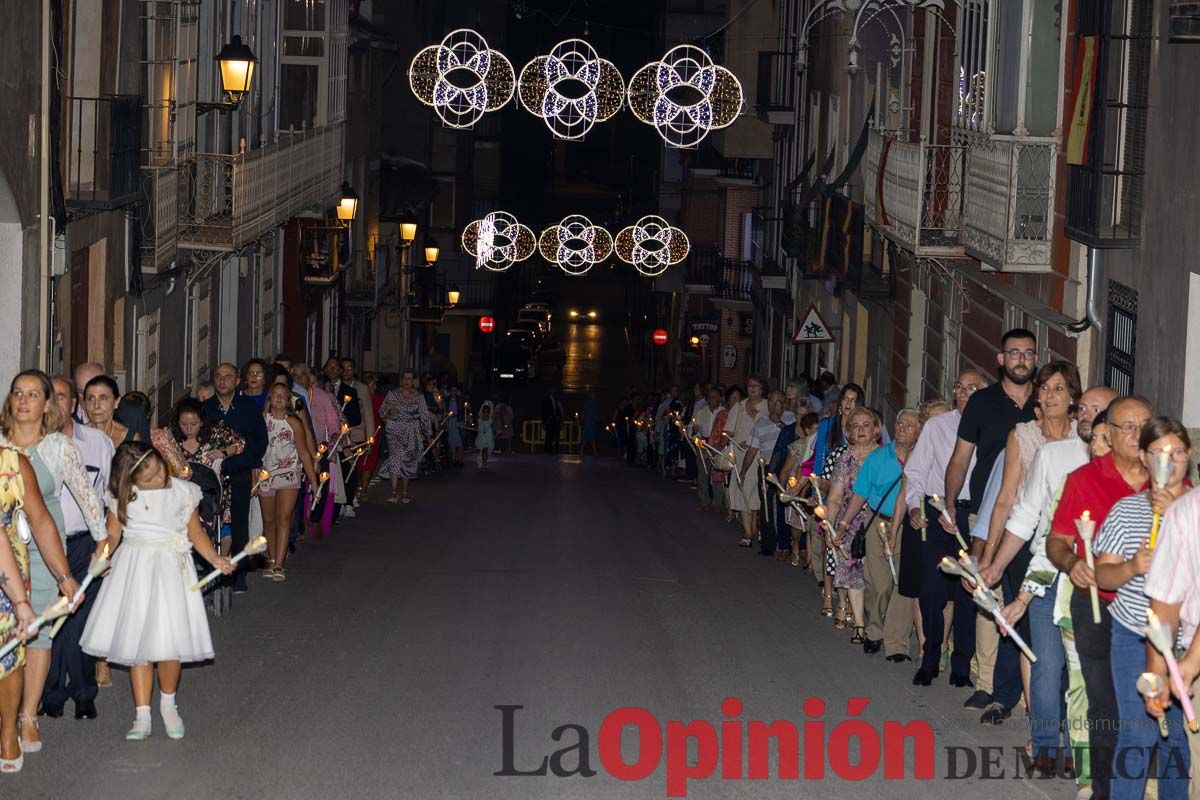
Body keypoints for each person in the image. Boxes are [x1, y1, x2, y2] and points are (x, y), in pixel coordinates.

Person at [80, 442, 234, 740]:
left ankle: (168, 704)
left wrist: (215, 559)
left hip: (170, 570)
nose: (158, 480)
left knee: (169, 643)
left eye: (158, 471)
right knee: (139, 644)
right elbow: (113, 532)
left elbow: (195, 532)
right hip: (134, 569)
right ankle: (142, 715)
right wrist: (103, 551)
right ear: (131, 480)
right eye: (148, 478)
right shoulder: (123, 495)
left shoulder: (182, 491)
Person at [1046, 396, 1152, 800]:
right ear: (1106, 432)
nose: (1136, 433)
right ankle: (1108, 791)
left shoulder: (1170, 480)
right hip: (1099, 604)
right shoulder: (1084, 479)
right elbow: (1057, 541)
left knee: (1148, 705)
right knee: (1106, 705)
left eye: (1144, 424)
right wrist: (1072, 562)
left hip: (1152, 610)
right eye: (1127, 425)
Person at [942, 329, 1038, 722]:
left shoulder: (1045, 402)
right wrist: (950, 505)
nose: (1021, 360)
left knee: (1021, 605)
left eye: (1028, 354)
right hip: (986, 514)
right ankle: (991, 688)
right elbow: (961, 459)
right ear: (1001, 359)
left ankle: (1021, 692)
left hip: (1033, 520)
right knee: (990, 602)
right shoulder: (981, 403)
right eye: (1013, 353)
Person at [1093, 418, 1191, 800]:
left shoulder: (1196, 509)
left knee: (1178, 735)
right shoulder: (1127, 509)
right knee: (1138, 730)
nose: (1168, 462)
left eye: (1177, 453)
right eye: (1158, 453)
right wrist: (1132, 566)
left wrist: (1179, 515)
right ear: (1145, 460)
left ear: (1189, 457)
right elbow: (1104, 575)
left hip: (1186, 642)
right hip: (1134, 634)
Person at [0, 370, 96, 753]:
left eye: (32, 394)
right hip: (8, 548)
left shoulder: (57, 447)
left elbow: (87, 500)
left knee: (36, 632)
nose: (23, 401)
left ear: (47, 404)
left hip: (43, 547)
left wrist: (102, 545)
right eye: (17, 393)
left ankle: (27, 716)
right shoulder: (2, 449)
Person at [905, 369, 988, 689]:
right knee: (932, 592)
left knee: (968, 593)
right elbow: (916, 472)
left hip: (975, 516)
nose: (964, 392)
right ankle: (930, 659)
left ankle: (962, 666)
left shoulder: (993, 427)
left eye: (972, 387)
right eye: (959, 387)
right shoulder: (938, 427)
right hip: (938, 512)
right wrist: (914, 507)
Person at [41, 376, 114, 722]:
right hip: (46, 545)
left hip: (86, 541)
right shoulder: (34, 443)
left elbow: (110, 497)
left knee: (79, 620)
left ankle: (82, 694)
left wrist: (106, 545)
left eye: (62, 397)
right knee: (53, 618)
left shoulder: (99, 443)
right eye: (49, 397)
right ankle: (52, 693)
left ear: (74, 405)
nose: (56, 404)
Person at [837, 408, 920, 656]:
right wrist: (843, 524)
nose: (903, 428)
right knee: (879, 583)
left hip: (908, 527)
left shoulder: (923, 458)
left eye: (909, 425)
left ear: (919, 431)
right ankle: (874, 629)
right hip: (877, 523)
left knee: (902, 585)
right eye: (900, 423)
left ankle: (896, 643)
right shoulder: (878, 457)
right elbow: (860, 493)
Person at [0, 444, 57, 773]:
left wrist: (21, 602)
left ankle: (9, 729)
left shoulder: (12, 463)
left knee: (7, 661)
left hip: (4, 582)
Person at [201, 363, 267, 594]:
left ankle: (238, 573)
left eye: (228, 377)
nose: (222, 381)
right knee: (209, 522)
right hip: (211, 477)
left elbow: (260, 442)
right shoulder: (206, 408)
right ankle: (209, 567)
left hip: (239, 472)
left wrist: (244, 461)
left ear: (237, 380)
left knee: (239, 523)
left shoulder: (248, 408)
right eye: (218, 376)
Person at [825, 407, 881, 643]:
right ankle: (859, 624)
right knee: (852, 573)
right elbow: (835, 497)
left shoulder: (885, 457)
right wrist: (830, 526)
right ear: (848, 432)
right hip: (849, 524)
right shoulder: (844, 459)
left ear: (876, 429)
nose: (860, 430)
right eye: (855, 426)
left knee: (877, 578)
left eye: (866, 425)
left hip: (879, 523)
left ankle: (877, 620)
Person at [260, 384, 318, 581]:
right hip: (265, 474)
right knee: (268, 520)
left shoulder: (294, 423)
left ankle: (279, 564)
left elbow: (303, 452)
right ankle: (271, 556)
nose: (278, 399)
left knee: (283, 518)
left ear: (288, 400)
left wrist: (314, 480)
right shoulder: (262, 420)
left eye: (282, 396)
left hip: (289, 475)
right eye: (274, 395)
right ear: (269, 399)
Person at [380, 369, 434, 505]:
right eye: (404, 378)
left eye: (409, 378)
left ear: (414, 381)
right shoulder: (393, 394)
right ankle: (393, 492)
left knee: (408, 460)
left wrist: (429, 435)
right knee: (394, 458)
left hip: (411, 431)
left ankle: (404, 491)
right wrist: (388, 414)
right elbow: (381, 411)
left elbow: (425, 416)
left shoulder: (418, 396)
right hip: (394, 430)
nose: (406, 381)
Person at [727, 376, 767, 547]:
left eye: (756, 386)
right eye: (750, 385)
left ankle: (754, 527)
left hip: (760, 456)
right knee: (743, 491)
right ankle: (747, 532)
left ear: (762, 389)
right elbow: (728, 430)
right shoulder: (739, 406)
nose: (753, 389)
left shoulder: (767, 406)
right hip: (741, 454)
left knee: (756, 495)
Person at [745, 390, 785, 557]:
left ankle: (785, 544)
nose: (773, 405)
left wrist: (781, 425)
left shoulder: (790, 419)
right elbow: (752, 450)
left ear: (783, 404)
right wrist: (743, 470)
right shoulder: (760, 423)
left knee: (784, 505)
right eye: (770, 402)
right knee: (766, 506)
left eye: (777, 402)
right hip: (766, 467)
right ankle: (768, 544)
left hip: (784, 467)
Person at [691, 387, 723, 512]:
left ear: (719, 398)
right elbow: (694, 428)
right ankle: (704, 501)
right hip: (703, 445)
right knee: (702, 474)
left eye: (714, 397)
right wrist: (694, 431)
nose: (711, 400)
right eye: (710, 397)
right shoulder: (701, 412)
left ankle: (717, 503)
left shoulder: (723, 412)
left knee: (717, 474)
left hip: (717, 445)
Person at [83, 375, 138, 448]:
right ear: (85, 404)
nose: (96, 406)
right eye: (91, 399)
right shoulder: (75, 436)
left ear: (116, 402)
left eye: (103, 398)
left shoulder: (130, 439)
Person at [356, 373, 385, 490]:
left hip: (374, 434)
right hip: (360, 433)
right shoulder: (359, 397)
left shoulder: (378, 399)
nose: (375, 388)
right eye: (372, 385)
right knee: (359, 462)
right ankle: (358, 487)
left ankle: (364, 488)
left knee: (369, 463)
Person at [445, 385, 464, 467]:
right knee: (452, 442)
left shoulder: (460, 399)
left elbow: (463, 410)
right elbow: (445, 409)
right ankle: (453, 460)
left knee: (459, 442)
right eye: (452, 390)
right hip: (450, 422)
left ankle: (459, 460)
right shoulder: (447, 399)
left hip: (458, 421)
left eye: (455, 390)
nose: (453, 392)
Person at [542, 387, 564, 455]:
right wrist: (545, 421)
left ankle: (556, 449)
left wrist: (560, 418)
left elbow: (559, 409)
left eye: (554, 390)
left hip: (555, 419)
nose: (553, 392)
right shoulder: (546, 399)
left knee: (556, 435)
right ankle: (548, 449)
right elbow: (544, 411)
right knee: (549, 435)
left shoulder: (555, 399)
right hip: (550, 419)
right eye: (552, 390)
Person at [475, 402, 495, 468]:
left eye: (487, 412)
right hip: (481, 437)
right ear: (482, 412)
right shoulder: (479, 420)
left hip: (488, 437)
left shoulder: (490, 420)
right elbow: (478, 428)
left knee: (486, 450)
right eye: (484, 412)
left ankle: (485, 462)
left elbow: (492, 427)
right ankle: (482, 460)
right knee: (483, 450)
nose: (486, 413)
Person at [582, 390, 599, 457]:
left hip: (592, 421)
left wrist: (596, 419)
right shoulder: (587, 402)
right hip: (588, 421)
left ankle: (582, 450)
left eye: (594, 394)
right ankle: (595, 452)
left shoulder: (595, 402)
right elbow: (584, 411)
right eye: (593, 394)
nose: (594, 395)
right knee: (588, 436)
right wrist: (582, 420)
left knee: (589, 437)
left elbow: (595, 412)